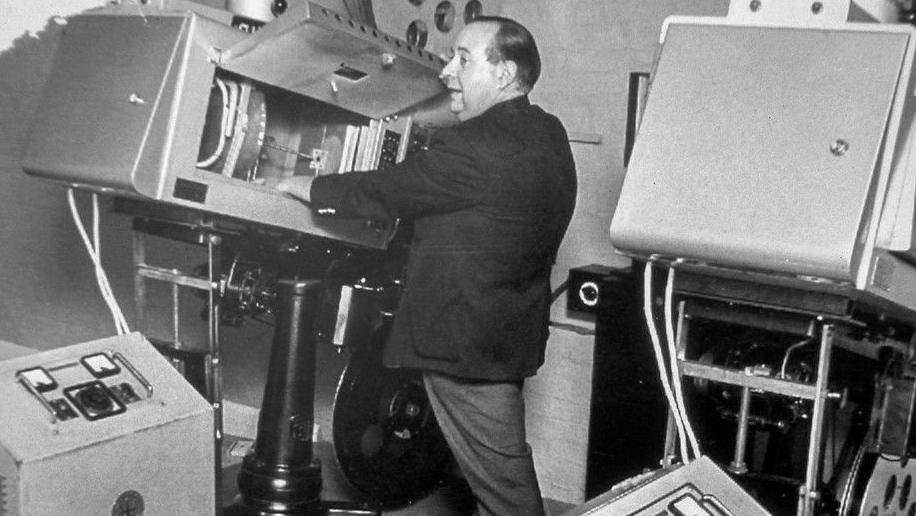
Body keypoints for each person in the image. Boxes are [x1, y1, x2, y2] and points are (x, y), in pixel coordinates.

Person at [278, 15, 577, 515]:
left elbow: (386, 191)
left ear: (504, 74)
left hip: (464, 347)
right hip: (503, 337)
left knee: (507, 493)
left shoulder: (473, 146)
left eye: (463, 59)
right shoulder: (547, 132)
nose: (446, 73)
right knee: (495, 477)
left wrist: (310, 187)